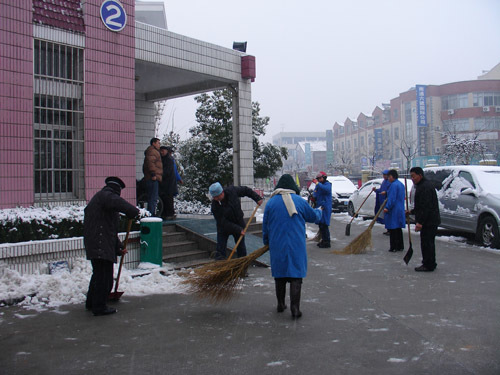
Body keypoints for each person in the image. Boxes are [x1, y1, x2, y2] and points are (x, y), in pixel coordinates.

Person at [262, 174, 321, 319]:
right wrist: (319, 211)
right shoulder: (299, 201)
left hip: (277, 244)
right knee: (296, 275)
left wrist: (266, 241)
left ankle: (281, 304)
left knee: (279, 275)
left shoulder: (271, 203)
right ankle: (295, 308)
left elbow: (266, 226)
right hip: (296, 244)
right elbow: (313, 217)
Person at [84, 177, 139, 316]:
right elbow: (117, 203)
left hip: (98, 242)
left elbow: (109, 230)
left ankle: (91, 302)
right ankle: (99, 306)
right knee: (104, 277)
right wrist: (132, 210)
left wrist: (118, 247)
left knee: (98, 275)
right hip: (99, 244)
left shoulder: (102, 201)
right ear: (116, 190)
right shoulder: (106, 196)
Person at [209, 182, 264, 260]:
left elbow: (246, 190)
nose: (216, 199)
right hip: (224, 228)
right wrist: (238, 229)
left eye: (218, 196)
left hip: (238, 222)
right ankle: (221, 266)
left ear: (222, 192)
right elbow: (223, 222)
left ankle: (241, 268)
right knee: (220, 249)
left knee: (241, 249)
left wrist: (257, 198)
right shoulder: (215, 206)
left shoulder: (232, 191)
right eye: (214, 197)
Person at [409, 167, 440, 272]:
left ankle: (428, 264)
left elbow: (426, 207)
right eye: (411, 176)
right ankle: (430, 263)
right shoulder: (422, 185)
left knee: (427, 243)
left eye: (413, 176)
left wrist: (420, 222)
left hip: (429, 221)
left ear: (420, 175)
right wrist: (412, 212)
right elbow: (420, 205)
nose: (412, 178)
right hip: (430, 220)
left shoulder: (424, 187)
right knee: (428, 243)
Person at [383, 169, 406, 252]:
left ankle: (394, 247)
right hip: (400, 208)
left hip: (394, 210)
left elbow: (392, 198)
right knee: (398, 229)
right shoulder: (401, 184)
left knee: (393, 229)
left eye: (389, 177)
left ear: (392, 176)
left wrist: (387, 207)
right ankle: (400, 246)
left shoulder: (393, 185)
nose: (388, 178)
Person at [159, 146, 183, 220]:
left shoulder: (169, 160)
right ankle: (167, 213)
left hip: (168, 183)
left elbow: (172, 172)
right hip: (167, 183)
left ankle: (169, 214)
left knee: (168, 199)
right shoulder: (166, 159)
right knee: (166, 199)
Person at [142, 137, 163, 215]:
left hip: (152, 177)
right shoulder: (152, 151)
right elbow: (151, 163)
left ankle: (151, 213)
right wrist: (153, 174)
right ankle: (151, 215)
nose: (159, 145)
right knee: (152, 198)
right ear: (153, 143)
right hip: (152, 178)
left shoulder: (153, 151)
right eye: (158, 143)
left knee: (152, 197)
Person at [312, 171, 332, 248]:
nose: (319, 180)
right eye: (318, 179)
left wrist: (317, 183)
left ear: (324, 177)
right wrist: (314, 198)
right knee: (321, 224)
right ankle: (323, 240)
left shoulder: (327, 184)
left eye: (320, 178)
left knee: (324, 225)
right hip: (319, 206)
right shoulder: (318, 186)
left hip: (325, 207)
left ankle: (327, 241)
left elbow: (326, 190)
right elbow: (316, 193)